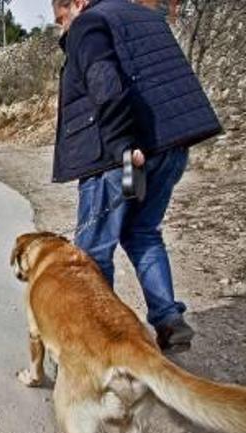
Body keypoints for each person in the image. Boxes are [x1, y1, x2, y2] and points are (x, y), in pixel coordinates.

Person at [51, 0, 222, 353]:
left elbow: (104, 79)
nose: (61, 28)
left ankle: (101, 342)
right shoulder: (144, 17)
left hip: (118, 154)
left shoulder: (88, 23)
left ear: (78, 4)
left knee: (93, 251)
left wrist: (122, 145)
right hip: (170, 144)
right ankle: (169, 320)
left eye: (61, 18)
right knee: (143, 232)